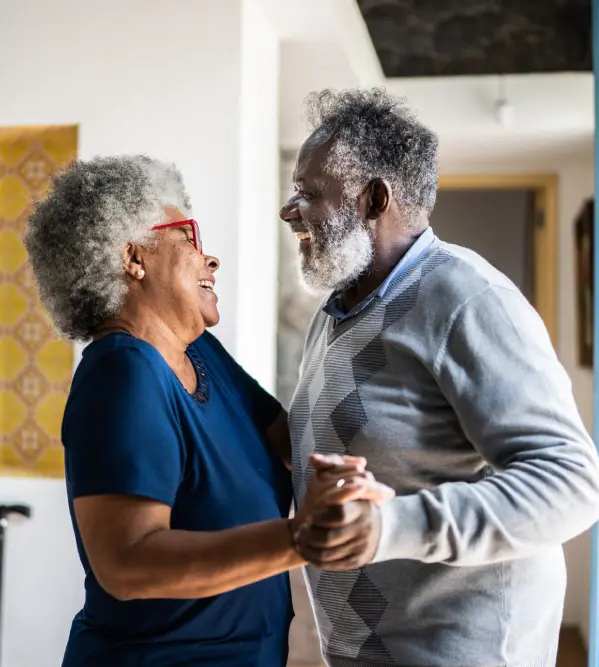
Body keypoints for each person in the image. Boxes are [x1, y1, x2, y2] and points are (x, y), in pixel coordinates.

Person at [280, 88, 599, 667]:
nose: (289, 212)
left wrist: (390, 526)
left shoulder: (466, 299)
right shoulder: (337, 311)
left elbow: (572, 484)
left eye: (308, 195)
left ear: (373, 199)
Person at [23, 154, 393, 667]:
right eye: (188, 238)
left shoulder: (200, 351)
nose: (209, 259)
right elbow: (128, 564)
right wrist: (301, 539)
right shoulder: (121, 372)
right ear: (134, 258)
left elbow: (289, 439)